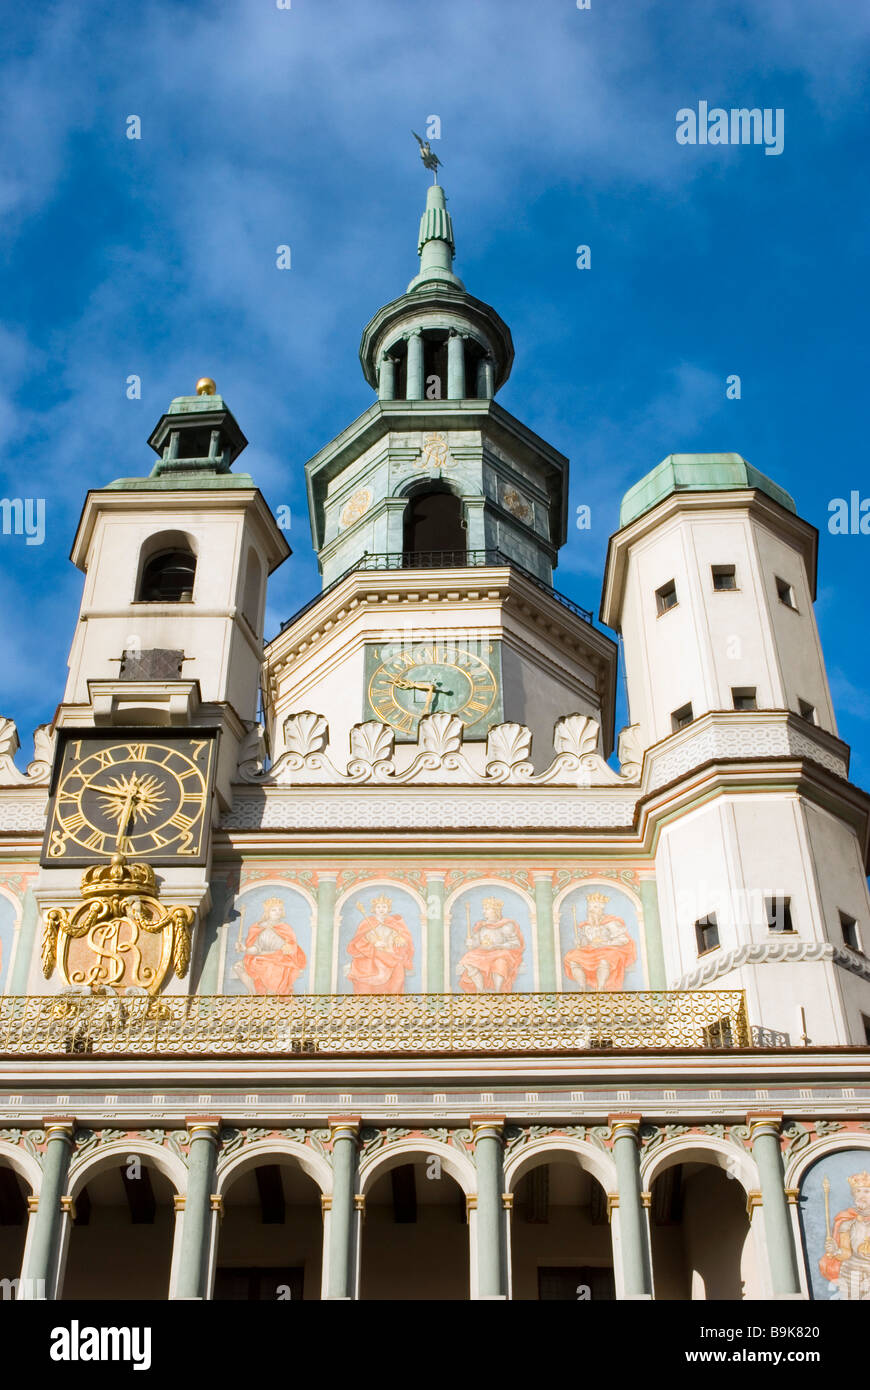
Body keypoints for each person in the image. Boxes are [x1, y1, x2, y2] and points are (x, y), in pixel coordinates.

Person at [563, 892, 636, 991]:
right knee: (572, 958)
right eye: (590, 907)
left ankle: (600, 988)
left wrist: (604, 944)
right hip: (592, 950)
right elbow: (586, 943)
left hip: (610, 949)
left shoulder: (611, 923)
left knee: (605, 959)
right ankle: (582, 987)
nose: (591, 909)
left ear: (601, 909)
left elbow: (623, 940)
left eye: (595, 907)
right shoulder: (585, 926)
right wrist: (579, 943)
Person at [234, 896, 306, 995]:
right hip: (261, 958)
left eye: (280, 910)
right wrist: (245, 949)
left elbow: (292, 946)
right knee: (238, 966)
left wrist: (287, 948)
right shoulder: (259, 927)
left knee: (271, 970)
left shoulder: (285, 928)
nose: (277, 912)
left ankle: (272, 996)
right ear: (267, 912)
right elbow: (256, 948)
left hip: (279, 959)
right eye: (273, 910)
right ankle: (254, 993)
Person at [345, 894, 414, 994]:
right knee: (370, 979)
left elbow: (402, 938)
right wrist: (374, 945)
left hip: (390, 954)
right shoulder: (367, 923)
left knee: (398, 975)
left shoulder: (393, 923)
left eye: (384, 907)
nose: (381, 909)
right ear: (374, 909)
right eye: (378, 907)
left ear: (388, 909)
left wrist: (400, 940)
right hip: (373, 955)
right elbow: (358, 941)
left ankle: (392, 1003)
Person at [819, 1171, 870, 1299]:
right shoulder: (847, 1223)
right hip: (853, 1273)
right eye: (858, 1192)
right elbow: (846, 1253)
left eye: (866, 1191)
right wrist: (835, 1251)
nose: (861, 1196)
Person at [458, 897, 524, 993]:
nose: (484, 912)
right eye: (484, 909)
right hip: (483, 953)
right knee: (468, 959)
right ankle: (480, 990)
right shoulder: (482, 926)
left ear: (495, 911)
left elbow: (516, 943)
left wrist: (497, 946)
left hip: (500, 953)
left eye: (487, 909)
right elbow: (476, 943)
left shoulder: (506, 926)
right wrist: (471, 942)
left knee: (500, 963)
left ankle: (498, 992)